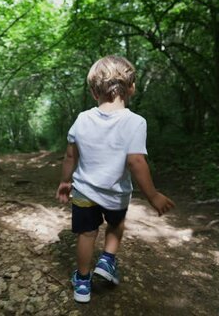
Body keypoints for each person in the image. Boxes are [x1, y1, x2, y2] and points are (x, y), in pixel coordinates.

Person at [56, 55, 175, 303]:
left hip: (84, 193)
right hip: (116, 194)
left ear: (93, 91)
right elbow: (136, 162)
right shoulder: (135, 122)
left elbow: (70, 155)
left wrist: (65, 182)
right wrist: (153, 195)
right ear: (131, 87)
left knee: (87, 234)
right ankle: (107, 259)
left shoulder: (82, 119)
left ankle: (82, 282)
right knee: (115, 225)